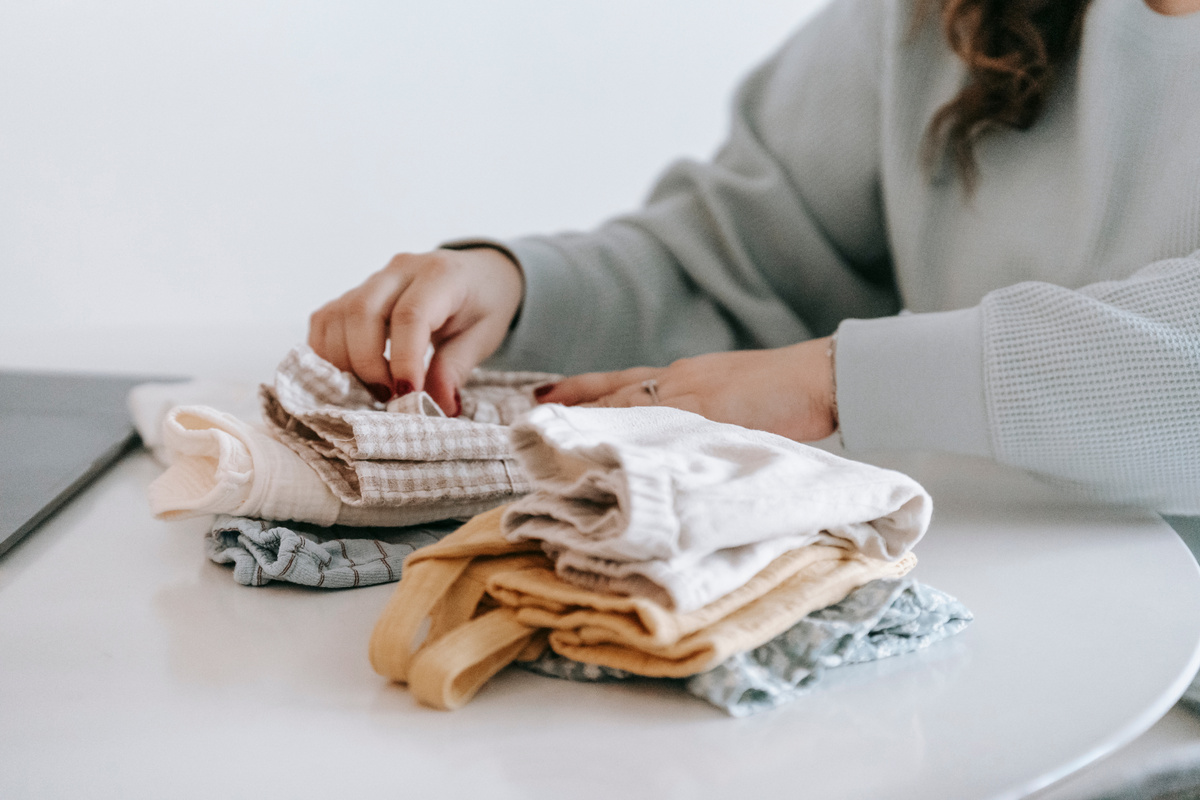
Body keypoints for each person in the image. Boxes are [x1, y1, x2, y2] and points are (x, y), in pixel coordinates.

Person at [307, 0, 1200, 514]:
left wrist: (834, 380)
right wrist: (515, 284)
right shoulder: (930, 15)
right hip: (970, 620)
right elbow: (746, 261)